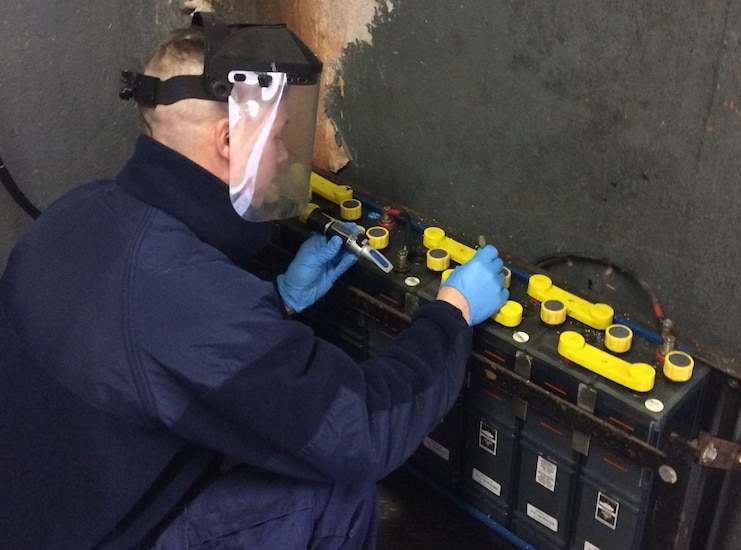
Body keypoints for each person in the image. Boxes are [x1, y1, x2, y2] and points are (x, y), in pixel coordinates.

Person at [0, 14, 508, 549]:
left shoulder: (80, 211)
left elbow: (154, 349)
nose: (287, 156)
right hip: (105, 532)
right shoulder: (183, 290)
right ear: (227, 139)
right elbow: (360, 431)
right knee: (335, 495)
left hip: (42, 507)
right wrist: (452, 312)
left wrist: (281, 301)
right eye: (281, 136)